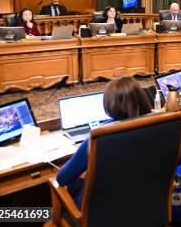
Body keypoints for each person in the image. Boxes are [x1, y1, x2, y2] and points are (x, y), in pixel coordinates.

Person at [56, 76, 151, 207]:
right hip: (143, 198)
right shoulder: (159, 124)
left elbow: (62, 178)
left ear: (109, 106)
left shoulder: (98, 135)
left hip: (102, 209)